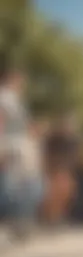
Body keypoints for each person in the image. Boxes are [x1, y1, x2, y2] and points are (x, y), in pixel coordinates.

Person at [0, 60, 40, 239]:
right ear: (11, 79)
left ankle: (20, 224)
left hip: (22, 146)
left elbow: (23, 124)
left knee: (25, 186)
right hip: (12, 145)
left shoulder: (15, 99)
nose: (22, 84)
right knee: (11, 186)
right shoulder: (4, 96)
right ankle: (11, 224)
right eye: (19, 80)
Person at [42, 112, 81, 225]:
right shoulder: (52, 139)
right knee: (56, 188)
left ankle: (58, 215)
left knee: (68, 187)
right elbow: (47, 156)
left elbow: (73, 160)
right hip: (53, 170)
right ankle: (50, 216)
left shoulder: (73, 142)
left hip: (65, 171)